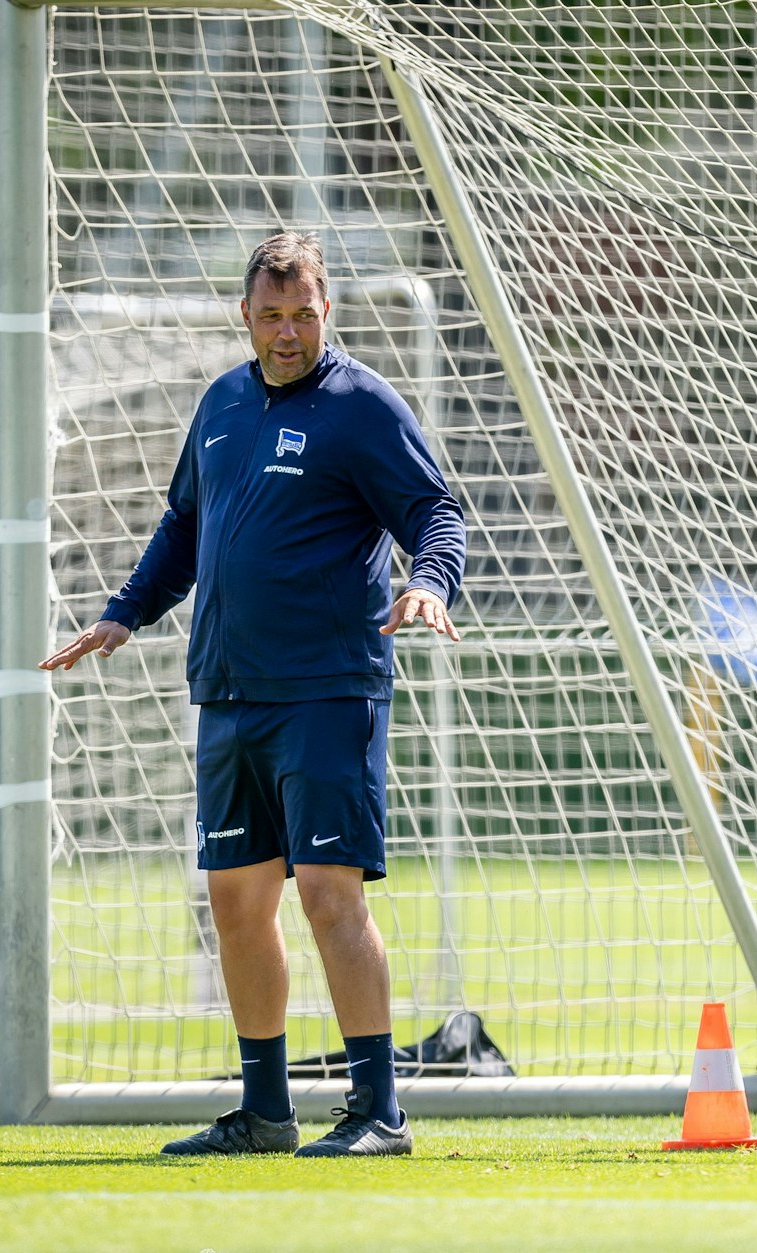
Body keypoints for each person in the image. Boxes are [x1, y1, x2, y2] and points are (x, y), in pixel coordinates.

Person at [40, 231, 465, 1158]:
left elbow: (436, 511)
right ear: (245, 316)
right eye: (270, 316)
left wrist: (429, 580)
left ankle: (378, 1113)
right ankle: (265, 1112)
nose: (286, 332)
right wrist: (125, 613)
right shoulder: (222, 404)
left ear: (328, 311)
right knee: (235, 903)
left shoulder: (360, 405)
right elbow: (185, 526)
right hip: (228, 692)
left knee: (327, 895)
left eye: (302, 315)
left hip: (327, 690)